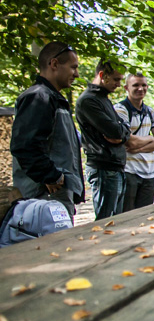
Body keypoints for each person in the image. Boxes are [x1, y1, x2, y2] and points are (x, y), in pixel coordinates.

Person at [10, 42, 85, 222]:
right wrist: (51, 176)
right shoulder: (38, 97)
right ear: (54, 64)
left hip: (55, 196)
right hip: (43, 198)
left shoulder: (55, 99)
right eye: (73, 67)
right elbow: (25, 146)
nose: (76, 74)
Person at [76, 60, 131, 220]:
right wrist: (121, 132)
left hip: (115, 166)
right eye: (116, 79)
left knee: (117, 221)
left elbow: (123, 130)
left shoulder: (103, 98)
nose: (119, 84)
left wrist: (122, 133)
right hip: (103, 168)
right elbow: (115, 131)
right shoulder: (89, 101)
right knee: (105, 222)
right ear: (102, 75)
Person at [113, 72, 154, 212]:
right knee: (128, 215)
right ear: (126, 88)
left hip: (149, 173)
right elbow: (130, 142)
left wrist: (139, 148)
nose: (140, 89)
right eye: (136, 85)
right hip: (128, 171)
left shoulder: (150, 112)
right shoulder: (120, 109)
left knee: (146, 215)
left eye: (144, 85)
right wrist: (150, 138)